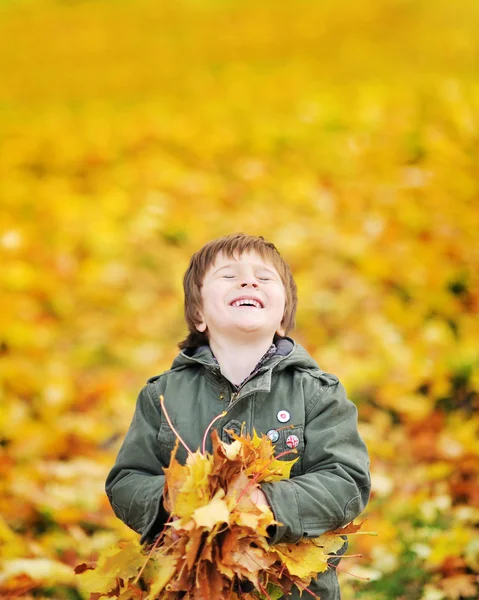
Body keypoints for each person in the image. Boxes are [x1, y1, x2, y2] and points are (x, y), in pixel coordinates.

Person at [105, 233, 371, 599]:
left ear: (282, 317)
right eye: (228, 276)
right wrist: (174, 498)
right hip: (190, 586)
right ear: (198, 313)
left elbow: (346, 481)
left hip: (289, 590)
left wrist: (267, 502)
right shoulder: (162, 395)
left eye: (264, 278)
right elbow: (126, 481)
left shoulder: (317, 392)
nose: (248, 281)